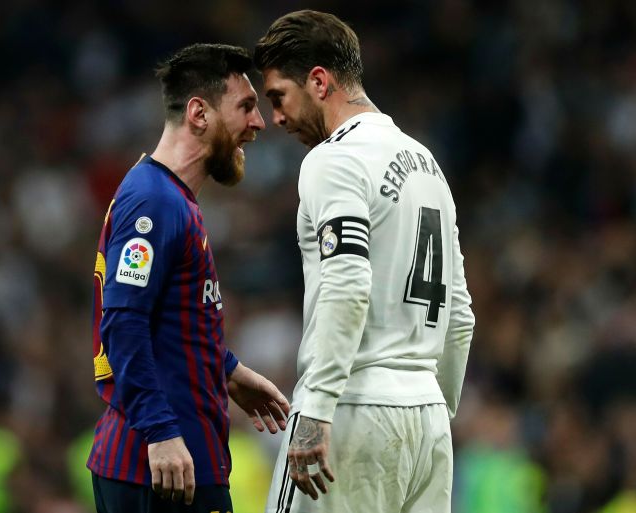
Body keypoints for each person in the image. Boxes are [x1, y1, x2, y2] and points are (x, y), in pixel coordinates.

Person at [254, 10, 475, 513]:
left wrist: (315, 408)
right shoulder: (428, 166)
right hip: (428, 421)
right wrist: (436, 411)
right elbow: (459, 315)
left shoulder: (334, 159)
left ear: (318, 81)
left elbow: (348, 281)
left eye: (278, 98)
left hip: (353, 406)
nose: (277, 119)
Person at [87, 43, 290, 513]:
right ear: (198, 113)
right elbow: (124, 322)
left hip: (171, 464)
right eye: (245, 107)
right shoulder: (154, 202)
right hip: (161, 468)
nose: (258, 123)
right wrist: (160, 432)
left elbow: (166, 321)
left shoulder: (169, 199)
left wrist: (229, 370)